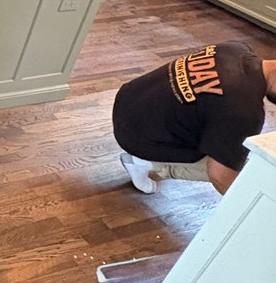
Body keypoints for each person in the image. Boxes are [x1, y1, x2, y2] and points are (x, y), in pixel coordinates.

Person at [113, 41, 276, 195]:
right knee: (244, 167)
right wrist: (247, 207)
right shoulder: (245, 111)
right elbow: (219, 175)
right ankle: (146, 164)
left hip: (127, 102)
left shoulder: (235, 49)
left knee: (229, 140)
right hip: (136, 137)